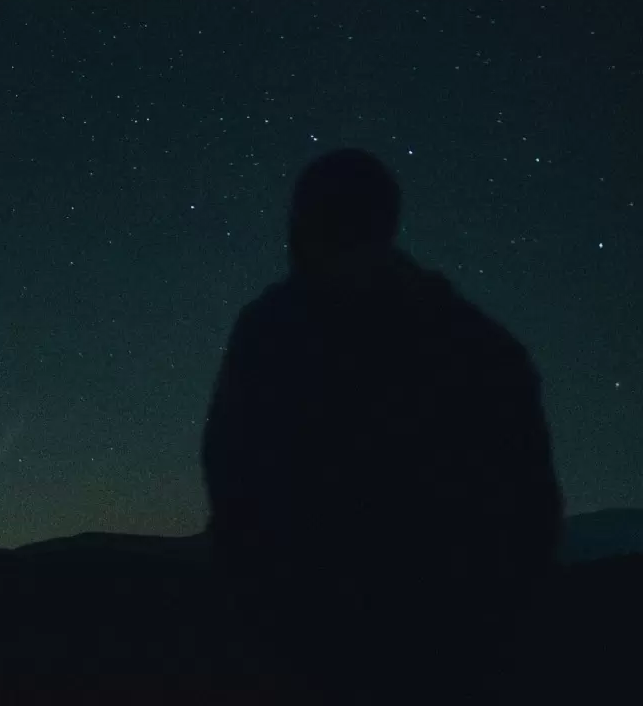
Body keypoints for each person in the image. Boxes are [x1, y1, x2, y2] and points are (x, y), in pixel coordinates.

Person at [201, 150, 563, 702]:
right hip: (450, 646)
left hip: (326, 644)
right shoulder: (480, 346)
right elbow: (532, 509)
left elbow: (233, 479)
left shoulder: (273, 333)